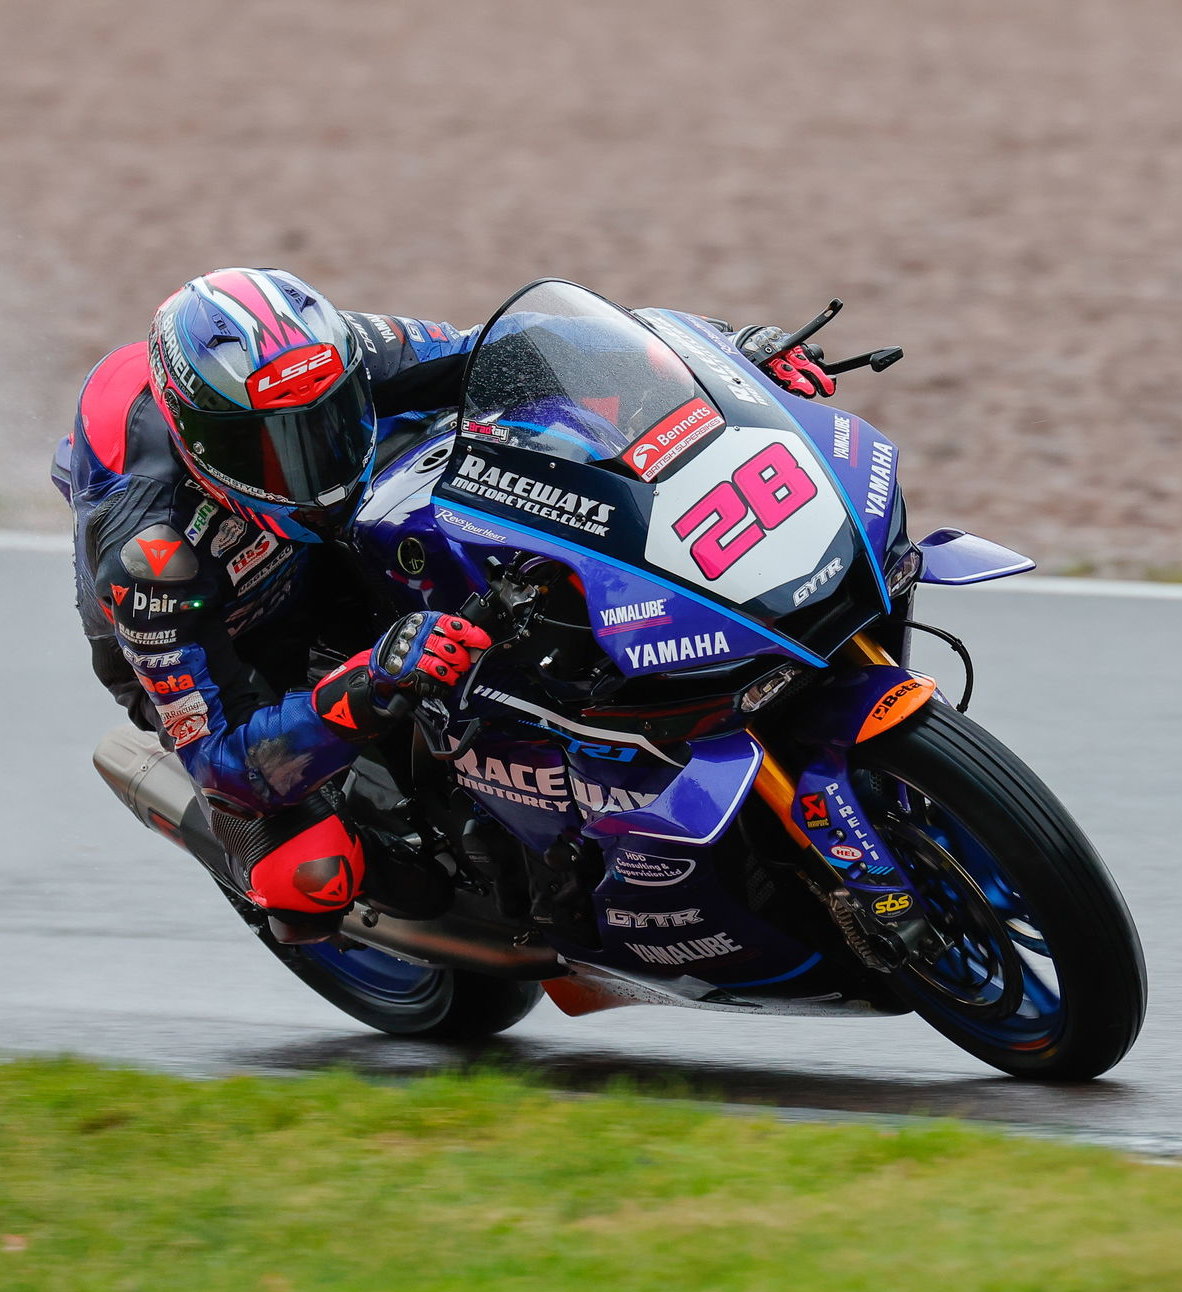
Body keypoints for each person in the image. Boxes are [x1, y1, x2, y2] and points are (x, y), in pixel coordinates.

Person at [52, 267, 836, 944]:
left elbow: (523, 347)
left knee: (545, 436)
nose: (307, 462)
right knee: (308, 879)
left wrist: (724, 356)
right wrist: (363, 684)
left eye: (325, 423)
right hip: (236, 632)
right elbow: (228, 762)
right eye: (267, 446)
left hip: (328, 547)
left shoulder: (341, 353)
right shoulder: (149, 556)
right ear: (197, 440)